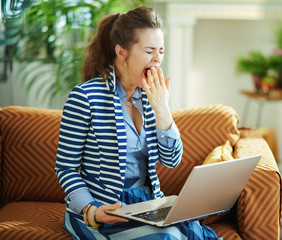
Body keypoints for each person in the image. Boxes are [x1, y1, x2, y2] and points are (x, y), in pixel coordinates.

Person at [55, 6, 220, 240]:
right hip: (103, 207)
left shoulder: (152, 95)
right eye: (149, 50)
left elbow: (171, 161)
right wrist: (91, 209)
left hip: (146, 203)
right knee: (168, 238)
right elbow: (65, 167)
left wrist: (163, 112)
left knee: (197, 234)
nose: (157, 59)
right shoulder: (85, 97)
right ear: (121, 52)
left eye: (161, 51)